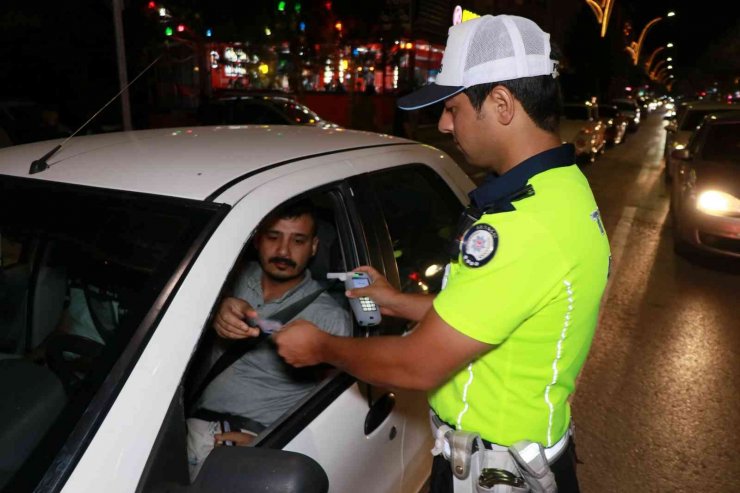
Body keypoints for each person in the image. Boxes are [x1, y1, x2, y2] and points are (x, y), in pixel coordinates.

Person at [274, 14, 611, 493]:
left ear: (500, 103)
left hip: (497, 474)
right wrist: (395, 301)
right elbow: (498, 311)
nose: (444, 124)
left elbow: (418, 364)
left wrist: (321, 347)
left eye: (452, 108)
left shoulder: (526, 223)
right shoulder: (562, 189)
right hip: (510, 456)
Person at [186, 200, 351, 479]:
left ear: (313, 247)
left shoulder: (329, 319)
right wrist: (214, 309)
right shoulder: (223, 278)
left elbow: (336, 405)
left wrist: (269, 442)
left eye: (298, 240)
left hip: (256, 436)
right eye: (273, 237)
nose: (284, 251)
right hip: (185, 418)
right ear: (257, 240)